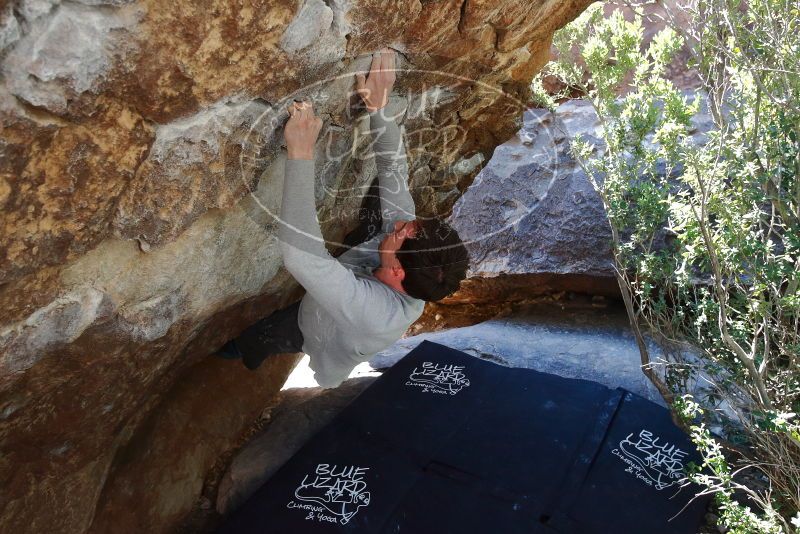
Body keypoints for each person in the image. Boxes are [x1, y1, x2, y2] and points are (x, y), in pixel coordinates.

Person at [217, 48, 469, 388]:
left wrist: (301, 153)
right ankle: (363, 238)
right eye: (409, 224)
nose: (399, 224)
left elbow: (303, 259)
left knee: (267, 335)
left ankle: (237, 350)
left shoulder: (375, 314)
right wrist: (379, 107)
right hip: (363, 276)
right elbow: (394, 169)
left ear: (397, 270)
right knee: (383, 197)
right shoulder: (409, 254)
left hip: (313, 330)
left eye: (399, 233)